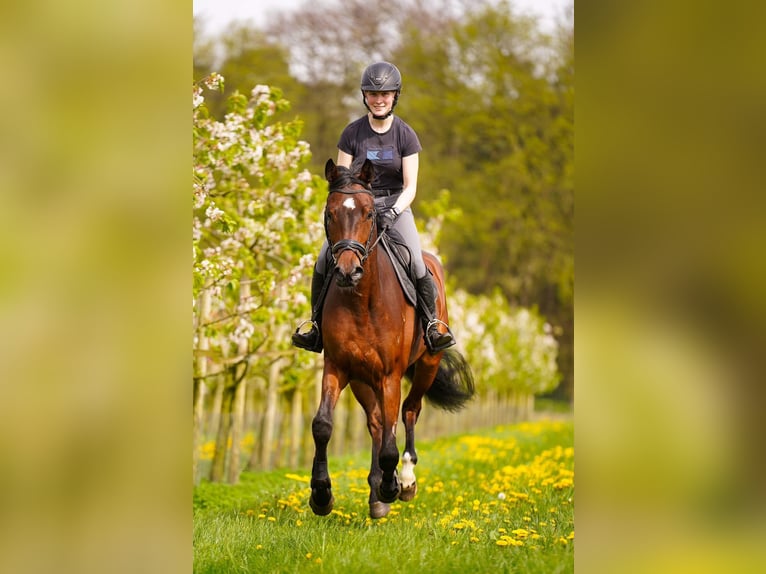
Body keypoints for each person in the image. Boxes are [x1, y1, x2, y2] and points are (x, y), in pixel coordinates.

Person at [292, 61, 455, 354]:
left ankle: (432, 326)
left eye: (385, 94)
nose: (379, 100)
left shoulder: (406, 136)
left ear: (395, 97)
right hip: (357, 211)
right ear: (364, 96)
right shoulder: (352, 133)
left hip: (395, 205)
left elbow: (411, 186)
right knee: (323, 258)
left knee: (417, 262)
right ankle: (315, 326)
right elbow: (340, 182)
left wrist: (393, 211)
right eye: (373, 94)